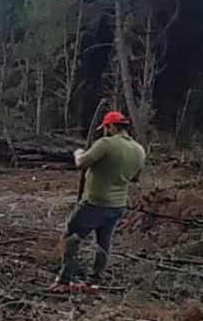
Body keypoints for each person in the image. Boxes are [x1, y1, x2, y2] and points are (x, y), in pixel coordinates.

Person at [51, 111, 146, 293]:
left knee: (71, 237)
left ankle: (64, 280)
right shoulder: (139, 150)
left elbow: (82, 163)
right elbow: (135, 178)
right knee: (104, 243)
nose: (105, 132)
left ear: (110, 127)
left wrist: (78, 153)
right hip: (117, 205)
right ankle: (94, 282)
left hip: (95, 203)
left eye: (106, 128)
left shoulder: (105, 144)